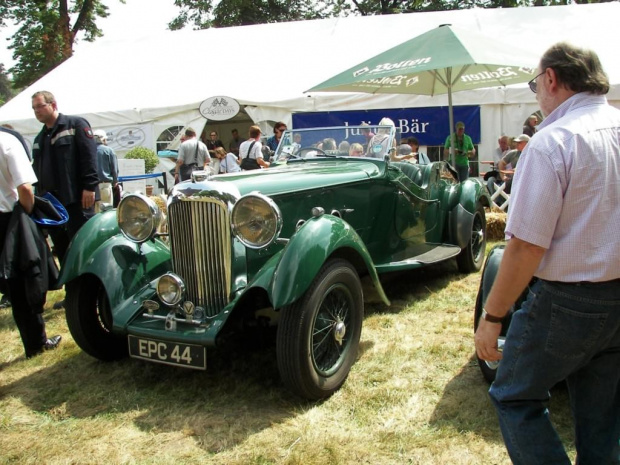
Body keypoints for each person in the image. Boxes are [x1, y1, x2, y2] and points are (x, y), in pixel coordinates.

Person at [474, 42, 620, 464]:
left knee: (512, 395)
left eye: (535, 83)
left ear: (551, 79)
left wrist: (493, 317)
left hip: (570, 300)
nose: (536, 92)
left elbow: (524, 246)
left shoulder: (551, 141)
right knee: (602, 415)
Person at [0, 130, 61, 358]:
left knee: (13, 286)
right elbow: (25, 188)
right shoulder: (6, 141)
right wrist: (25, 215)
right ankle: (36, 343)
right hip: (9, 219)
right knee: (22, 281)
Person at [31, 90, 99, 264]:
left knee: (82, 245)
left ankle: (88, 288)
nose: (37, 111)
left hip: (76, 200)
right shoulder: (40, 138)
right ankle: (72, 288)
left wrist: (89, 187)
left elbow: (89, 156)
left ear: (53, 105)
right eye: (34, 108)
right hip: (52, 204)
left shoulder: (74, 124)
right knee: (62, 249)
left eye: (40, 106)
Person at [93, 129, 118, 212]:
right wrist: (115, 181)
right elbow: (114, 169)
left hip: (92, 187)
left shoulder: (89, 151)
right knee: (106, 212)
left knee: (95, 213)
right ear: (103, 139)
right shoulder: (108, 150)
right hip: (105, 185)